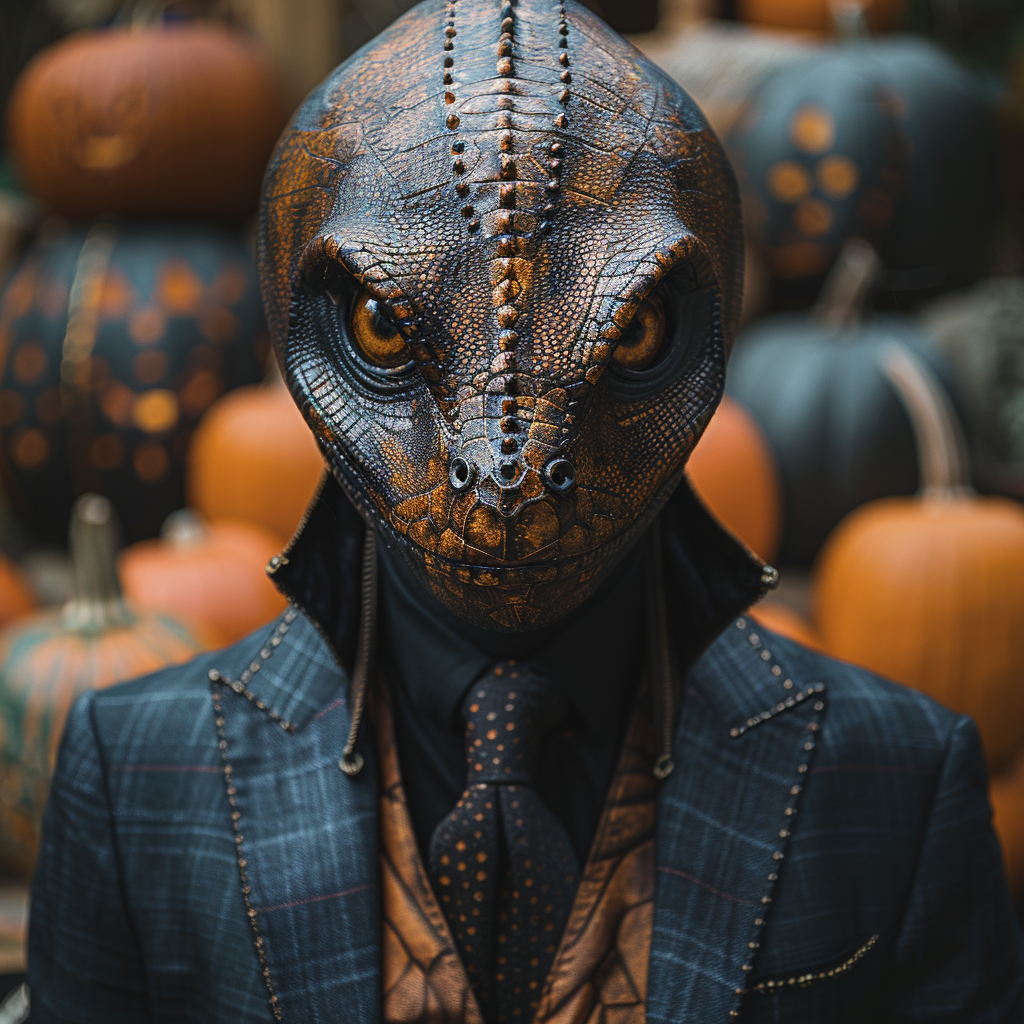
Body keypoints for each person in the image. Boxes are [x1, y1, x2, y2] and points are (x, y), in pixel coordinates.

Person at [27, 1, 1024, 1021]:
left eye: (632, 333)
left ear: (709, 319)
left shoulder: (895, 778)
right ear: (291, 318)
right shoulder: (136, 776)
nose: (504, 472)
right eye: (381, 329)